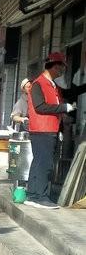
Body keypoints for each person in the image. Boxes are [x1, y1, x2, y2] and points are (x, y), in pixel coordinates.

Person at [25, 52, 85, 208]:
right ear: (53, 66)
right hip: (42, 130)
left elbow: (68, 93)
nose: (62, 71)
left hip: (48, 129)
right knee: (45, 164)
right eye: (61, 67)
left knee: (39, 162)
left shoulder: (52, 85)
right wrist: (64, 107)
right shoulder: (38, 84)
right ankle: (41, 197)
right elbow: (40, 107)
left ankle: (32, 195)